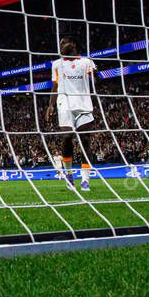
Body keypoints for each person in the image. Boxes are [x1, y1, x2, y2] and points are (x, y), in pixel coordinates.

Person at [45, 37, 98, 192]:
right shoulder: (57, 64)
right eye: (60, 44)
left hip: (83, 104)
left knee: (85, 139)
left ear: (73, 45)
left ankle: (85, 180)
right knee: (67, 137)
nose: (61, 46)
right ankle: (69, 175)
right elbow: (55, 86)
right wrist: (50, 105)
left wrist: (94, 75)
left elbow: (96, 78)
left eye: (64, 43)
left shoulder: (86, 62)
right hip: (65, 104)